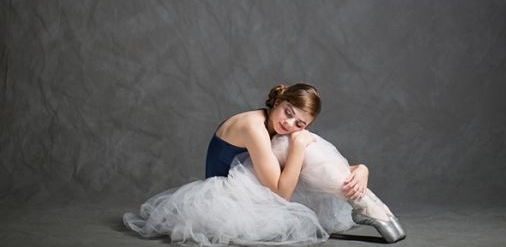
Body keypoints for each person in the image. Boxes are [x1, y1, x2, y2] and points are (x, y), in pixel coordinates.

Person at [123, 83, 405, 245]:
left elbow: (318, 162)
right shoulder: (253, 126)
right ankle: (373, 210)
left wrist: (362, 169)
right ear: (279, 100)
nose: (288, 123)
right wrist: (298, 143)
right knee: (301, 145)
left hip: (261, 181)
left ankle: (369, 205)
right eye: (287, 112)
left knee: (308, 145)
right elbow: (281, 193)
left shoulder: (281, 130)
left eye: (299, 122)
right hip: (230, 195)